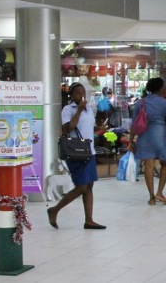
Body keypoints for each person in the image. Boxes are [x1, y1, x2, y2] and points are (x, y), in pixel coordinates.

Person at [47, 82, 105, 230]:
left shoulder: (89, 108)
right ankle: (55, 210)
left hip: (89, 151)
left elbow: (87, 127)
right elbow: (68, 128)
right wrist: (78, 111)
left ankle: (89, 220)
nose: (81, 96)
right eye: (78, 93)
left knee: (89, 185)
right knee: (81, 186)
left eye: (83, 93)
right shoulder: (68, 109)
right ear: (72, 96)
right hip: (75, 152)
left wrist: (99, 128)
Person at [129, 78, 166, 206]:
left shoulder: (140, 103)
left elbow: (134, 124)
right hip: (160, 136)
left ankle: (151, 197)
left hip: (144, 136)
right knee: (165, 163)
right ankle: (160, 192)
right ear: (160, 88)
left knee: (148, 165)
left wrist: (131, 141)